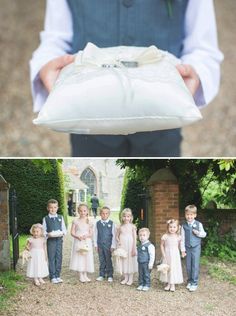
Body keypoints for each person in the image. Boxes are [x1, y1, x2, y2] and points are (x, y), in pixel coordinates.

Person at [30, 0, 223, 157]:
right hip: (88, 123)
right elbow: (55, 38)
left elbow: (202, 47)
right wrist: (47, 67)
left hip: (163, 124)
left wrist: (192, 76)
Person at [181, 205, 207, 292]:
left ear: (195, 215)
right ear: (185, 215)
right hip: (187, 248)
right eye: (188, 214)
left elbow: (204, 234)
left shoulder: (199, 224)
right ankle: (190, 281)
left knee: (195, 265)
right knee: (188, 265)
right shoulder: (183, 226)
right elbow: (182, 239)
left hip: (196, 247)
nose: (189, 216)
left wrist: (198, 233)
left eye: (191, 215)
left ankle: (194, 283)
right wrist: (182, 250)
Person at [42, 199, 67, 284]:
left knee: (59, 257)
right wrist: (48, 234)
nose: (53, 209)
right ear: (48, 208)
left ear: (57, 208)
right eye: (51, 208)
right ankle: (52, 276)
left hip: (59, 240)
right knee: (51, 258)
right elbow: (44, 231)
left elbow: (64, 229)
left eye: (55, 207)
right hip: (51, 241)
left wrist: (63, 233)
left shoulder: (60, 217)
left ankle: (58, 275)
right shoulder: (46, 218)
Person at [70, 203, 94, 282]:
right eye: (80, 211)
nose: (82, 213)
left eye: (84, 211)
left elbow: (91, 233)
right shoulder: (75, 221)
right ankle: (81, 275)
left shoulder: (89, 221)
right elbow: (72, 232)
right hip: (78, 240)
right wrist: (77, 236)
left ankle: (85, 274)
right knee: (80, 257)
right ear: (78, 211)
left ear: (87, 211)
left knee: (86, 257)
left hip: (86, 241)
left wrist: (86, 236)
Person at [160, 219, 183, 292]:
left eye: (174, 227)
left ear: (177, 228)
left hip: (175, 255)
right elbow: (161, 245)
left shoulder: (178, 237)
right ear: (168, 227)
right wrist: (163, 254)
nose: (172, 229)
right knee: (167, 268)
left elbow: (179, 246)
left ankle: (172, 284)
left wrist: (181, 252)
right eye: (170, 227)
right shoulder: (165, 236)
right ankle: (168, 283)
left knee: (174, 268)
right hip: (167, 254)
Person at [94, 206, 116, 282]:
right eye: (103, 213)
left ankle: (110, 275)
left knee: (108, 259)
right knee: (101, 259)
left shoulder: (112, 223)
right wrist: (95, 245)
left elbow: (114, 235)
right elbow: (95, 234)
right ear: (100, 214)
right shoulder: (97, 223)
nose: (104, 215)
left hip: (108, 245)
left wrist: (113, 245)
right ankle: (101, 274)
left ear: (109, 214)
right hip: (100, 245)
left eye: (106, 213)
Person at [116, 208, 138, 286]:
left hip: (130, 245)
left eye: (128, 216)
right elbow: (117, 236)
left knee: (130, 261)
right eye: (124, 216)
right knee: (124, 260)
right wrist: (118, 242)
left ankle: (130, 278)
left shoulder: (132, 226)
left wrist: (134, 248)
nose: (126, 218)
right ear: (122, 217)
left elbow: (135, 238)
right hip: (123, 246)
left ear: (131, 217)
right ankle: (125, 277)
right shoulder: (120, 226)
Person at [137, 228, 155, 292]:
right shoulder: (139, 245)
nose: (142, 237)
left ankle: (147, 285)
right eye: (140, 235)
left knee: (146, 274)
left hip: (146, 263)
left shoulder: (150, 246)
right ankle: (141, 284)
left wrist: (151, 264)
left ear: (148, 236)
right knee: (140, 273)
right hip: (140, 262)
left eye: (144, 235)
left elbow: (152, 255)